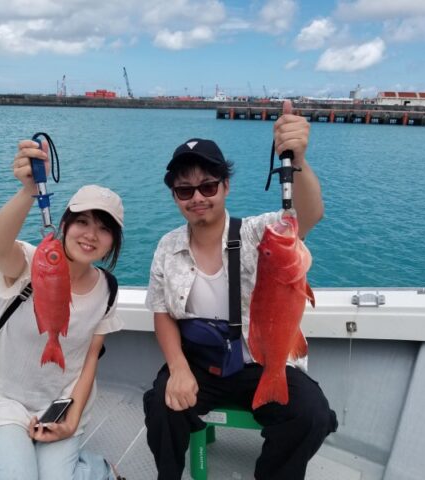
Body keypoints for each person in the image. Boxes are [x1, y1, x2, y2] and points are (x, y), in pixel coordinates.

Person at [143, 100, 338, 480]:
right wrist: (179, 368)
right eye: (185, 191)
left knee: (312, 414)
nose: (198, 197)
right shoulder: (167, 246)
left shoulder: (259, 233)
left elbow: (308, 213)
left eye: (208, 185)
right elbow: (162, 311)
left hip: (262, 361)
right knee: (160, 404)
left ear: (225, 186)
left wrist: (297, 160)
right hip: (199, 362)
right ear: (175, 198)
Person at [0, 139, 126, 480]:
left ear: (114, 241)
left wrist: (71, 419)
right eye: (82, 221)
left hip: (61, 403)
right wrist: (28, 192)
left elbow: (90, 359)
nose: (91, 235)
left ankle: (97, 469)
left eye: (104, 228)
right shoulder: (28, 263)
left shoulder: (107, 291)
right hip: (1, 401)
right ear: (64, 224)